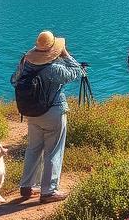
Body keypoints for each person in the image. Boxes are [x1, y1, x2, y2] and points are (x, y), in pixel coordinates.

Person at [15, 30, 83, 203]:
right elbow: (77, 72)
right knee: (53, 151)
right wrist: (66, 54)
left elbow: (15, 79)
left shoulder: (26, 63)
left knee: (33, 148)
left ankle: (26, 186)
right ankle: (49, 191)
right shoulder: (54, 69)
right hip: (53, 111)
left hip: (32, 112)